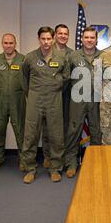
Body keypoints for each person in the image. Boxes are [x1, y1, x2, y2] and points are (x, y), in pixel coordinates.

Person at [21, 26, 69, 184]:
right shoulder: (30, 58)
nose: (46, 42)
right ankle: (30, 169)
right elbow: (24, 79)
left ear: (53, 38)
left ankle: (55, 168)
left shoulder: (61, 57)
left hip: (54, 99)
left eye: (49, 38)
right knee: (30, 135)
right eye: (43, 39)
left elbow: (66, 78)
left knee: (56, 135)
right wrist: (32, 94)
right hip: (35, 99)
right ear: (39, 39)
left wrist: (56, 85)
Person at [64, 26, 103, 177]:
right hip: (77, 101)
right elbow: (66, 79)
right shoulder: (73, 56)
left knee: (96, 132)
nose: (89, 40)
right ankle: (71, 164)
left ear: (96, 39)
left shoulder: (104, 57)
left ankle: (96, 163)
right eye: (86, 37)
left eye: (92, 37)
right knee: (73, 132)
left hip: (96, 101)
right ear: (82, 38)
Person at [0, 33, 26, 171]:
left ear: (15, 44)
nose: (8, 45)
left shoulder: (23, 60)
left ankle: (23, 159)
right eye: (6, 43)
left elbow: (29, 78)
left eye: (11, 43)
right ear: (2, 44)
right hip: (1, 100)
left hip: (19, 100)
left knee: (21, 130)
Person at [42, 24, 73, 169]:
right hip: (49, 96)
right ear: (55, 36)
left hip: (66, 95)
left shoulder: (72, 54)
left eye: (65, 34)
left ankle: (62, 156)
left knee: (64, 126)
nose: (63, 36)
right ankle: (48, 155)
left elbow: (70, 77)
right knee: (48, 126)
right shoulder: (47, 51)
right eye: (60, 33)